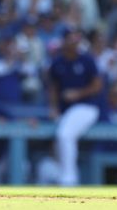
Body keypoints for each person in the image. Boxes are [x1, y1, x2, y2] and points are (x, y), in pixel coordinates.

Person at [48, 28, 103, 186]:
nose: (74, 42)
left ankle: (69, 180)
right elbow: (53, 89)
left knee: (65, 134)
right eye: (70, 38)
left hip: (87, 107)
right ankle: (65, 175)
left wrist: (77, 94)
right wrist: (53, 108)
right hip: (65, 110)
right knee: (59, 140)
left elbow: (97, 86)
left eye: (76, 38)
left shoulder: (86, 59)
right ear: (64, 40)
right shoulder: (57, 62)